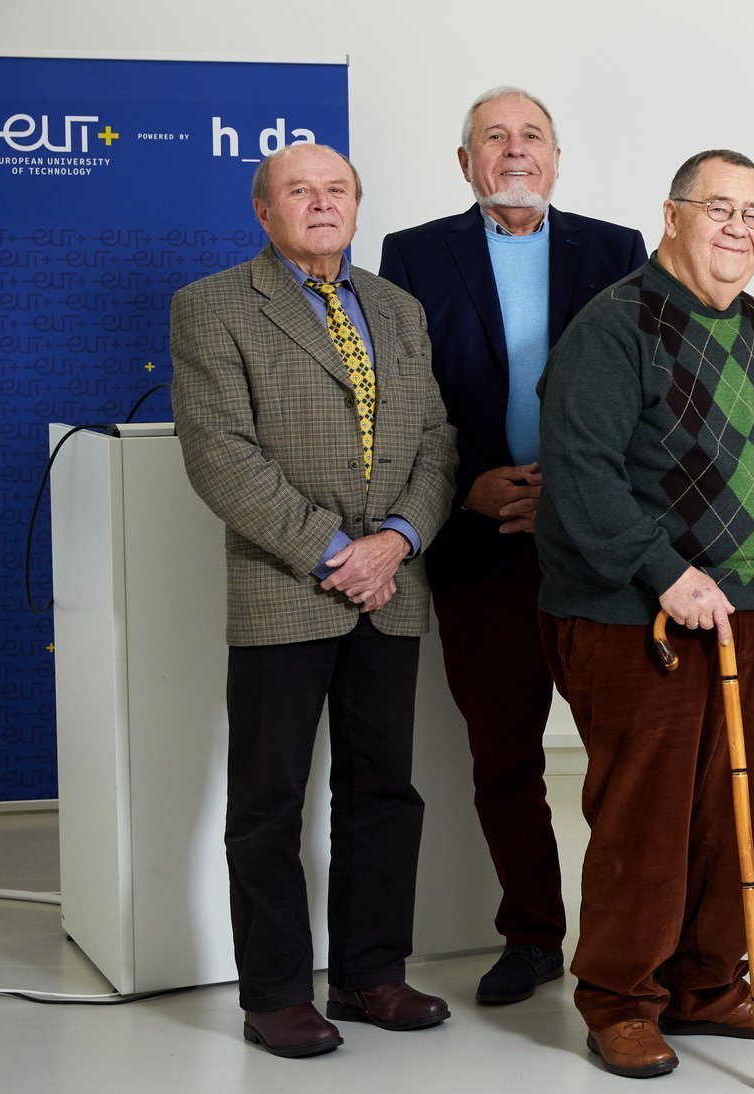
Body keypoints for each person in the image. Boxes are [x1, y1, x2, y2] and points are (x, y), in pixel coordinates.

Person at [533, 149, 754, 1080]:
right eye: (718, 208)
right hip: (639, 612)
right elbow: (581, 473)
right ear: (671, 215)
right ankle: (620, 998)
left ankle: (707, 982)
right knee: (645, 817)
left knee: (738, 811)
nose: (739, 228)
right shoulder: (613, 327)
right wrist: (664, 572)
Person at [171, 141, 460, 1058]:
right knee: (269, 801)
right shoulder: (213, 305)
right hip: (285, 584)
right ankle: (275, 995)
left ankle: (372, 975)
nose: (323, 203)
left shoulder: (399, 309)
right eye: (300, 190)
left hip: (393, 586)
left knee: (383, 792)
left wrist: (396, 541)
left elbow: (438, 441)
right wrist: (338, 553)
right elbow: (220, 454)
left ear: (357, 206)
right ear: (264, 210)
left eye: (338, 189)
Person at [377, 84, 648, 1006]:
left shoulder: (615, 251)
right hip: (481, 541)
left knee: (627, 755)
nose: (516, 150)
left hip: (595, 544)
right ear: (466, 162)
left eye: (532, 135)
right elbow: (402, 400)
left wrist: (567, 495)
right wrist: (467, 486)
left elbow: (642, 396)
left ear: (558, 158)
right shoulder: (414, 256)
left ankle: (629, 941)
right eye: (494, 137)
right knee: (504, 759)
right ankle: (532, 935)